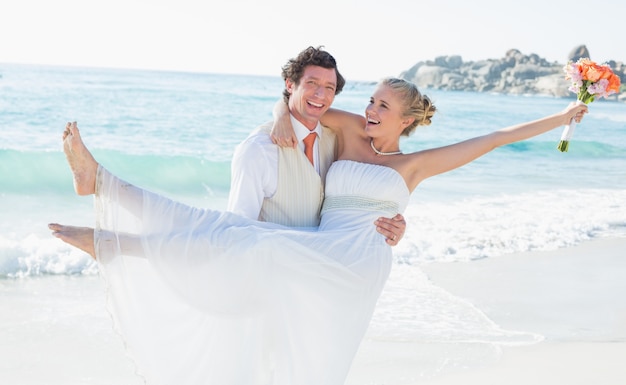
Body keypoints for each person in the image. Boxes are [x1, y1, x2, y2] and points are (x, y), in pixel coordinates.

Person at [49, 78, 588, 385]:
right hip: (321, 245)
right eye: (372, 100)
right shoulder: (352, 132)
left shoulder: (416, 166)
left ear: (407, 120)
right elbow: (304, 101)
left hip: (356, 263)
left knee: (245, 244)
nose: (370, 109)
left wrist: (564, 114)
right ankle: (107, 210)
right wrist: (281, 114)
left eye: (383, 106)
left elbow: (496, 137)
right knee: (234, 237)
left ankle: (112, 236)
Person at [228, 46, 406, 245]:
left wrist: (392, 222)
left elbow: (370, 187)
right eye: (311, 83)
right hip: (277, 269)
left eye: (329, 87)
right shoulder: (258, 150)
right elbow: (238, 230)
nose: (321, 94)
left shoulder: (338, 140)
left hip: (331, 264)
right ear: (290, 84)